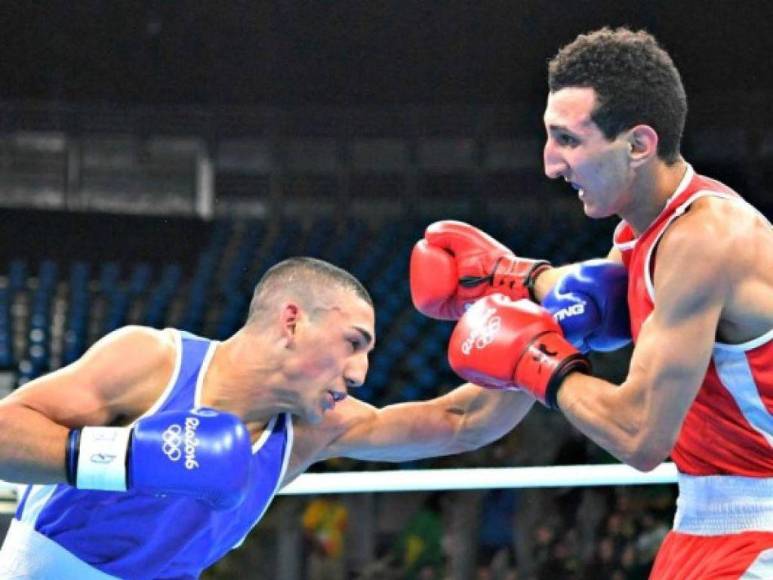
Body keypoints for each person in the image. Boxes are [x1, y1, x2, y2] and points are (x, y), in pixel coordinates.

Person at [410, 27, 772, 579]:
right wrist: (518, 279)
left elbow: (640, 436)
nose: (551, 164)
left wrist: (541, 364)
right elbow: (483, 410)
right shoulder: (638, 239)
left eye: (568, 140)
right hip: (704, 518)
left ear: (638, 144)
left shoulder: (705, 239)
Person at [0, 257, 536, 579]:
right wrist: (130, 458)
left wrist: (543, 345)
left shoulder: (313, 429)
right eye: (353, 343)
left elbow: (464, 422)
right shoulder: (154, 363)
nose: (360, 373)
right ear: (293, 321)